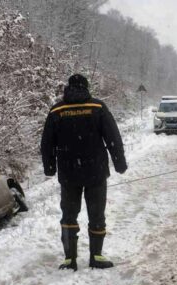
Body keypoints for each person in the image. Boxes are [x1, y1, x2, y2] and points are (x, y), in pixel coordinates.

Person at [40, 74, 127, 271]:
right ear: (87, 88)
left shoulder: (57, 110)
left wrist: (49, 167)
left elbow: (47, 143)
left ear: (68, 88)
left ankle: (70, 259)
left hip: (69, 174)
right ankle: (96, 256)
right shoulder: (97, 107)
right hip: (95, 171)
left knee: (69, 215)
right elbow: (113, 137)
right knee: (97, 214)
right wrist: (119, 162)